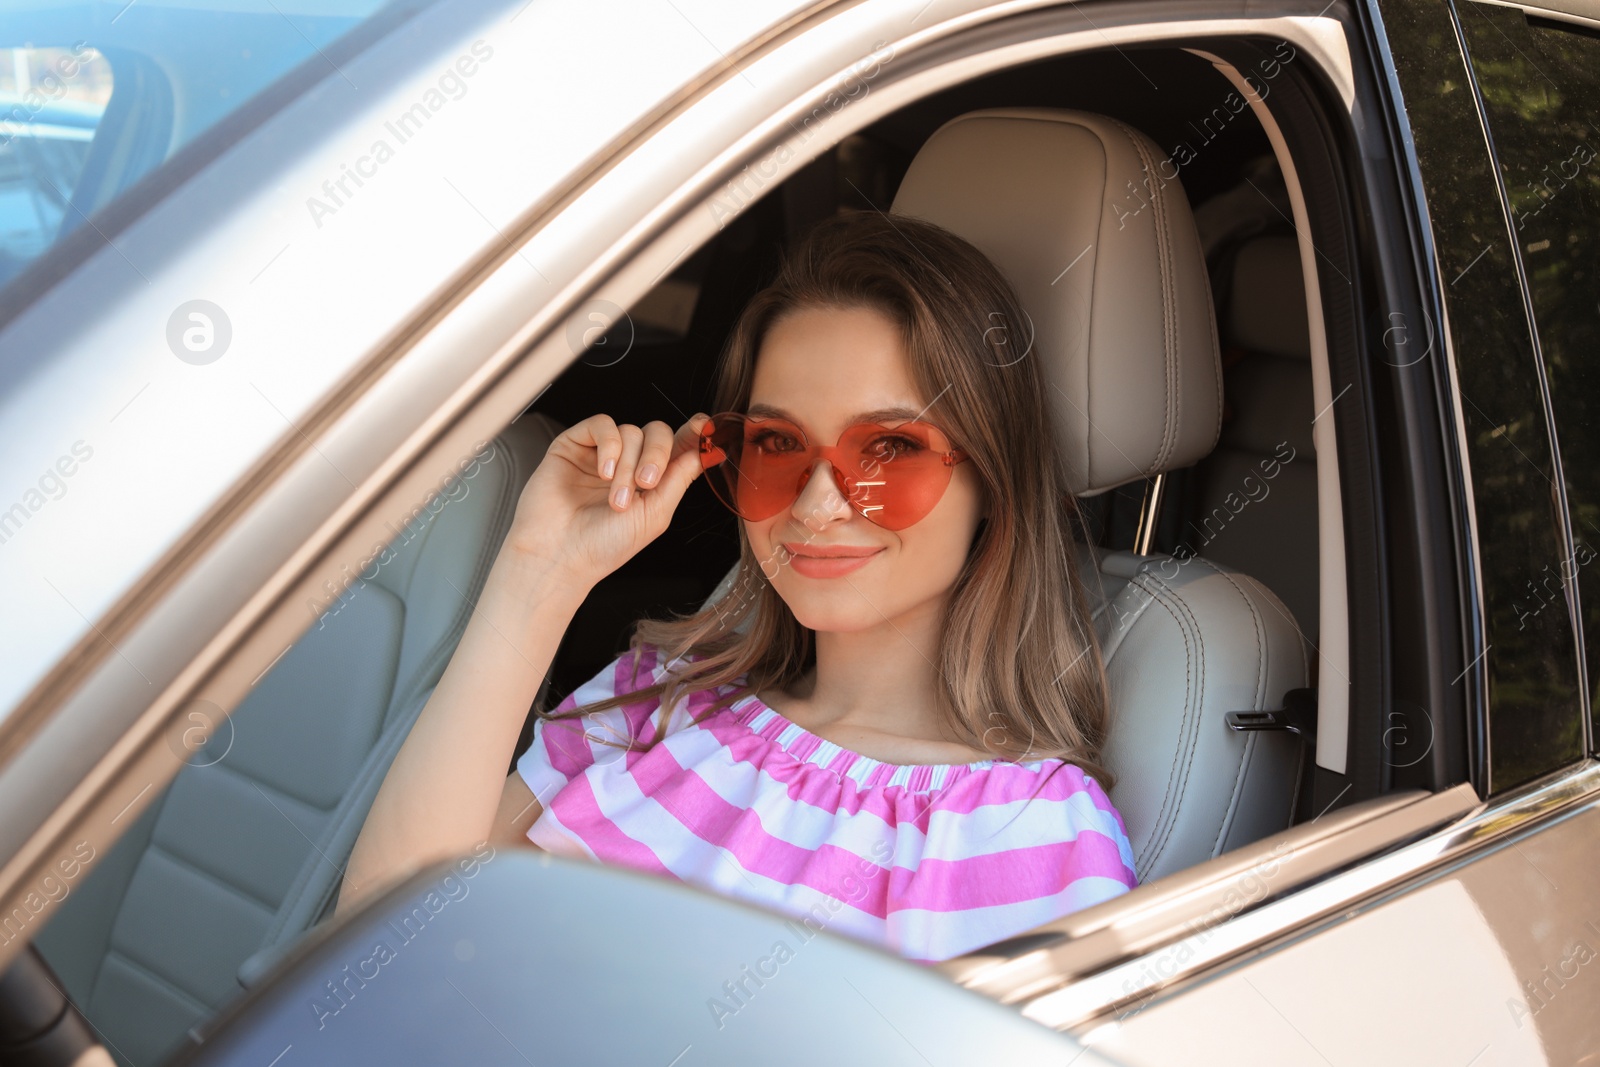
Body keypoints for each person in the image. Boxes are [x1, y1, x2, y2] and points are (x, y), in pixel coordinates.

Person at [339, 210, 1138, 964]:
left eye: (890, 447)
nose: (818, 505)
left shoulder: (1038, 836)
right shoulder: (655, 699)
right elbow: (375, 952)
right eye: (779, 443)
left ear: (994, 480)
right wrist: (540, 572)